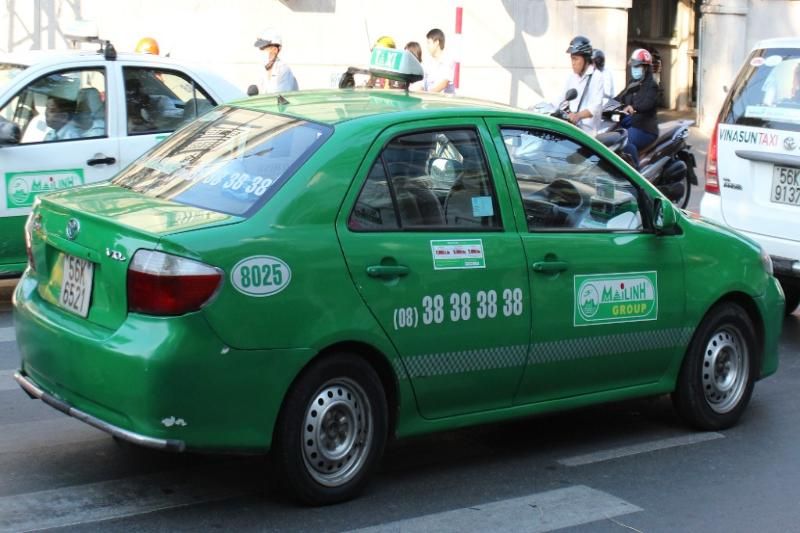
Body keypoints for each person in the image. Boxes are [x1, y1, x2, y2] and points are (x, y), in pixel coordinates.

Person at [615, 48, 659, 168]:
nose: (634, 69)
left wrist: (633, 108)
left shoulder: (652, 86)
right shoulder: (632, 83)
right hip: (630, 123)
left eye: (637, 66)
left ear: (645, 67)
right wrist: (608, 104)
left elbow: (647, 104)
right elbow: (620, 97)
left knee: (625, 142)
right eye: (633, 66)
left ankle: (636, 177)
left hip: (645, 129)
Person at [561, 35, 604, 134]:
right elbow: (561, 99)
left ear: (585, 59)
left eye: (576, 59)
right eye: (572, 59)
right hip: (572, 127)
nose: (573, 63)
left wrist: (578, 115)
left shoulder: (596, 77)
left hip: (588, 134)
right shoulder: (572, 77)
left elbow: (596, 106)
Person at [254, 29, 298, 94]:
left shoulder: (283, 69)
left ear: (274, 49)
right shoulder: (264, 69)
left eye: (263, 48)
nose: (261, 51)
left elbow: (280, 97)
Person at [424, 28, 455, 94]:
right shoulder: (428, 62)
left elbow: (444, 83)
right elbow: (423, 84)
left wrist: (428, 94)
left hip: (443, 102)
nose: (427, 46)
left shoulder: (447, 59)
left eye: (429, 43)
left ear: (436, 43)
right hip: (431, 100)